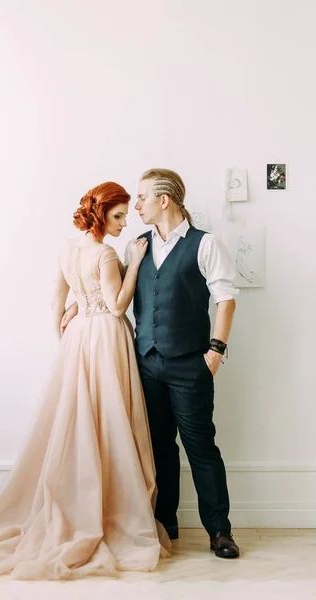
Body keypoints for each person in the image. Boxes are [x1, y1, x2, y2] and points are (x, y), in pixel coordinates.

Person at [0, 182, 170, 580]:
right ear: (101, 213)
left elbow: (57, 301)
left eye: (126, 215)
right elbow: (118, 304)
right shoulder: (106, 252)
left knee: (81, 419)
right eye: (118, 216)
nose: (125, 223)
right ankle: (111, 509)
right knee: (109, 419)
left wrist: (68, 336)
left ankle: (86, 499)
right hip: (107, 336)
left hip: (77, 341)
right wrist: (136, 262)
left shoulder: (66, 249)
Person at [130, 168, 240, 559]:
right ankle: (165, 523)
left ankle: (220, 531)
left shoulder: (205, 244)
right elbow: (116, 290)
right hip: (147, 364)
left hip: (191, 364)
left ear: (165, 200)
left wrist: (215, 351)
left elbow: (225, 299)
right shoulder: (137, 245)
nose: (135, 204)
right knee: (159, 446)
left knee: (200, 447)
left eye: (141, 196)